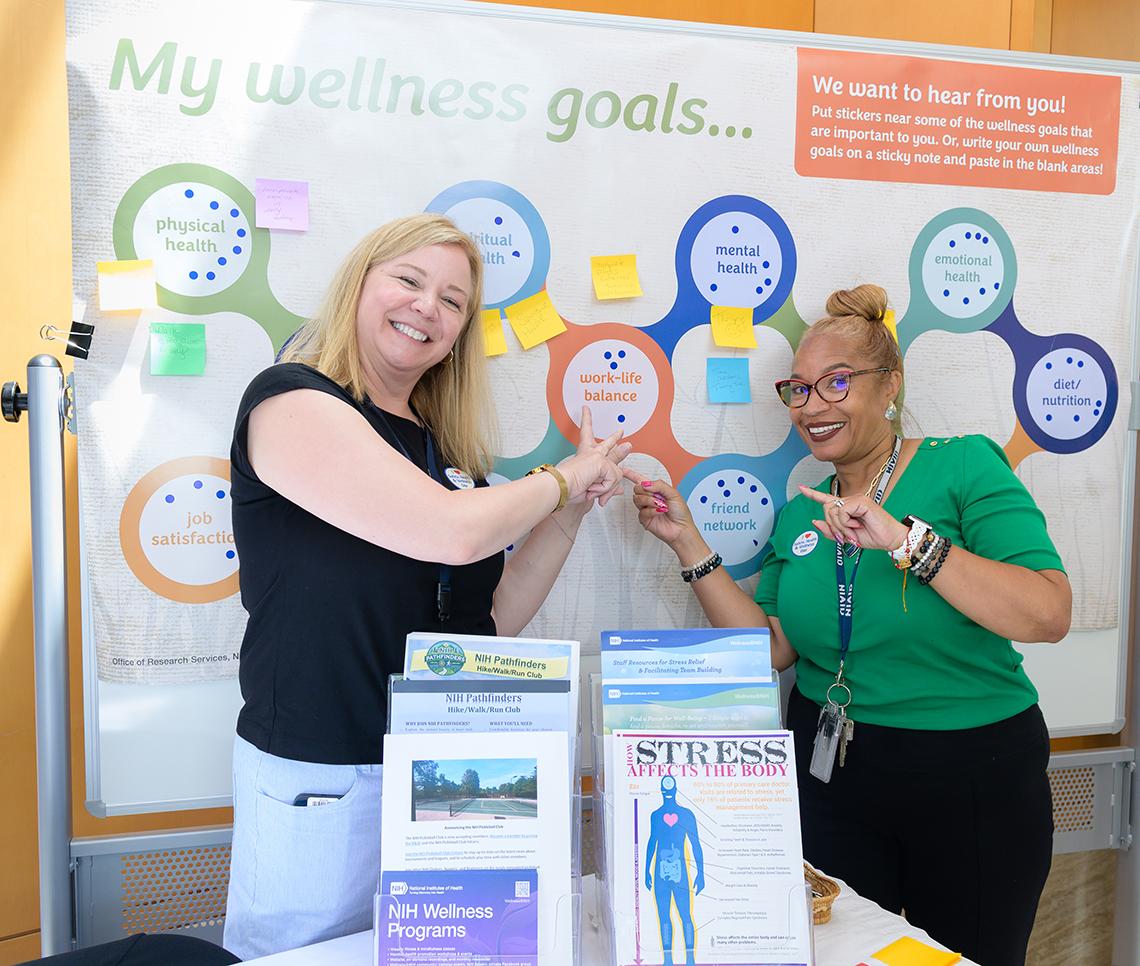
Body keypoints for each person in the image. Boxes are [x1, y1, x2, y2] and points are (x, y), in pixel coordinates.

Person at [222, 213, 629, 960]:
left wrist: (568, 513)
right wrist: (560, 475)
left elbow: (488, 622)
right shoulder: (291, 401)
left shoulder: (444, 451)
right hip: (327, 776)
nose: (426, 309)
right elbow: (453, 532)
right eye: (408, 281)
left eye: (452, 301)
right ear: (358, 286)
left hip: (450, 780)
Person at [626, 284, 1070, 966]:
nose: (813, 406)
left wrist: (907, 541)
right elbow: (772, 647)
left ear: (888, 385)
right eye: (798, 389)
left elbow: (1047, 613)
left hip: (971, 780)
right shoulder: (804, 512)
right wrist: (687, 541)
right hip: (830, 775)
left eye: (836, 382)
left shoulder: (963, 465)